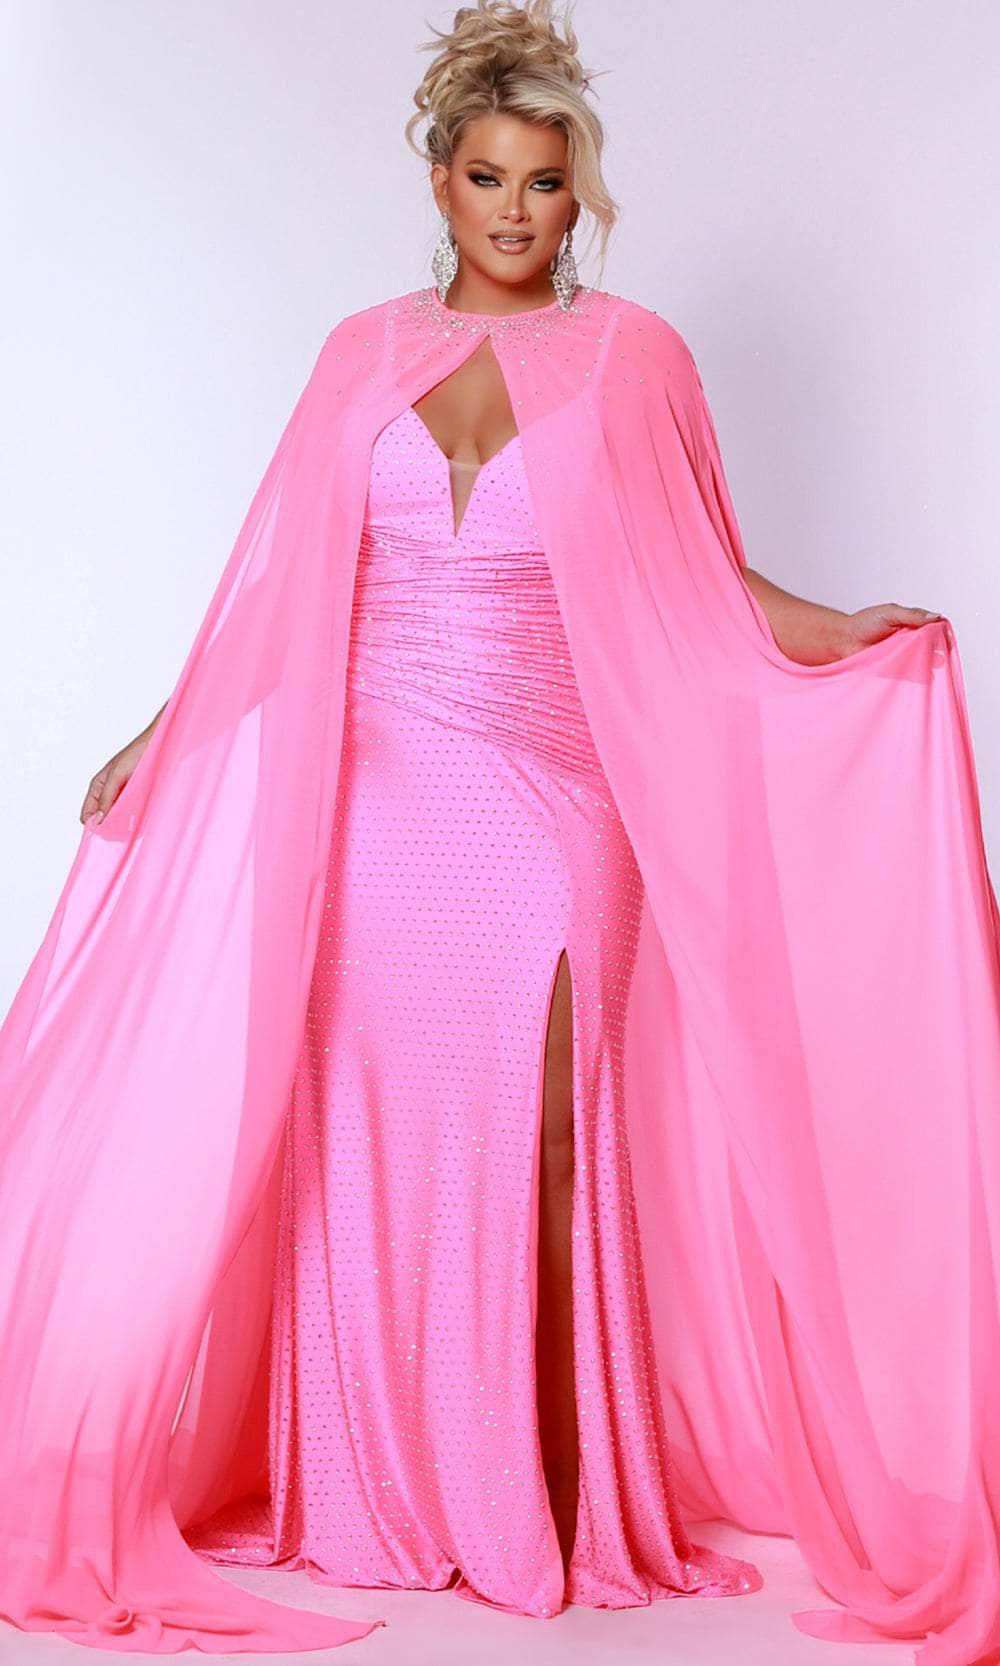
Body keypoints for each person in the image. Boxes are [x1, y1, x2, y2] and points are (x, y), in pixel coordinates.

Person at [3, 3, 999, 1663]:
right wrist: (160, 734)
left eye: (544, 182)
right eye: (487, 177)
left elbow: (697, 569)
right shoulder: (358, 354)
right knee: (361, 1128)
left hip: (557, 788)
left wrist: (840, 630)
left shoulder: (633, 355)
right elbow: (283, 580)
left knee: (547, 1130)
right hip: (374, 794)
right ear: (440, 180)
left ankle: (547, 1492)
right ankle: (380, 1485)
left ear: (576, 190)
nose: (517, 212)